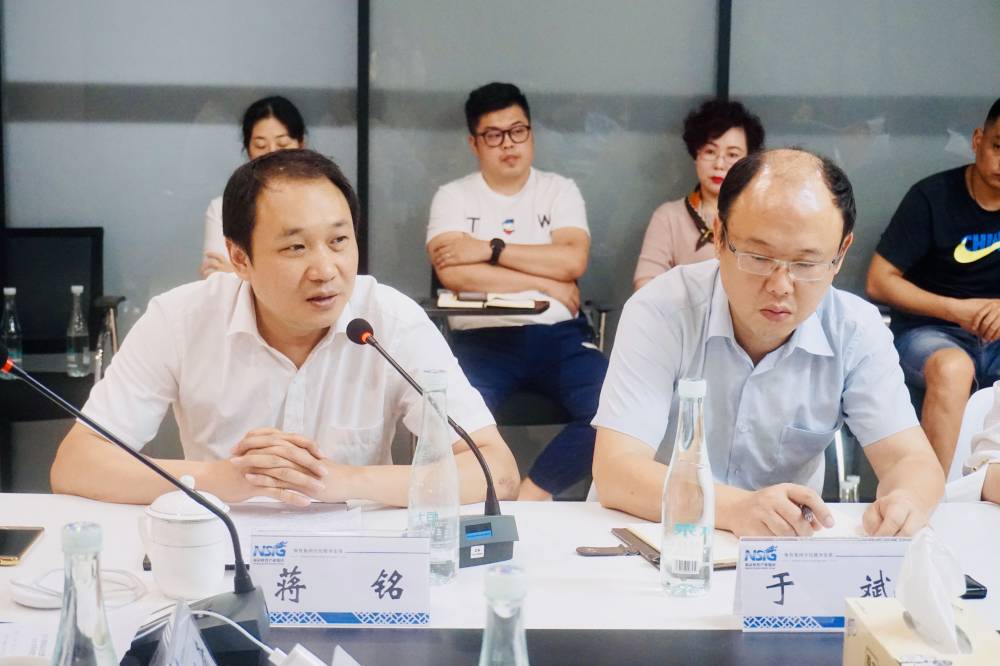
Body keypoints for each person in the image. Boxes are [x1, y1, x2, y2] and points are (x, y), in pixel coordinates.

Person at [52, 149, 519, 506]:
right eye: (296, 248)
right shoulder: (179, 320)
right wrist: (221, 480)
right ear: (240, 258)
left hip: (357, 562)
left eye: (339, 240)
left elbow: (496, 471)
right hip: (222, 556)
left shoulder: (390, 322)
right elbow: (76, 463)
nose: (326, 270)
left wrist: (343, 480)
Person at [592, 148, 944, 537]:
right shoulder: (662, 310)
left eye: (806, 264)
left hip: (783, 551)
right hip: (654, 538)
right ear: (720, 237)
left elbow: (910, 460)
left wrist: (906, 501)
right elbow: (616, 470)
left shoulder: (855, 329)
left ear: (840, 254)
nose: (780, 286)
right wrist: (735, 509)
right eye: (758, 257)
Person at [426, 82, 608, 501]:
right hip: (482, 338)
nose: (508, 144)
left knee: (612, 409)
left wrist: (489, 249)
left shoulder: (559, 190)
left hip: (559, 336)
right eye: (493, 135)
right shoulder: (453, 197)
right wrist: (546, 282)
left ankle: (531, 498)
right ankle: (490, 498)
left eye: (517, 131)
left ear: (531, 134)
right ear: (474, 143)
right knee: (449, 425)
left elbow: (572, 260)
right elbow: (453, 274)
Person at [866, 98, 1000, 474]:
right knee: (953, 368)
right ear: (978, 140)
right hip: (930, 332)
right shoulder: (932, 196)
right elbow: (879, 280)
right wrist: (957, 310)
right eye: (998, 147)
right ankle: (929, 494)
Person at [633, 99, 765, 291]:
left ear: (747, 161)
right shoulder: (669, 217)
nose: (719, 164)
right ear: (696, 155)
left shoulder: (762, 218)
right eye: (710, 151)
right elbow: (645, 286)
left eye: (732, 154)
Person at [200, 95, 307, 278]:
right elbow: (215, 276)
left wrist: (239, 273)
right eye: (260, 145)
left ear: (301, 145)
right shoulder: (223, 208)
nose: (272, 153)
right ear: (248, 150)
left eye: (282, 144)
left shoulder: (321, 202)